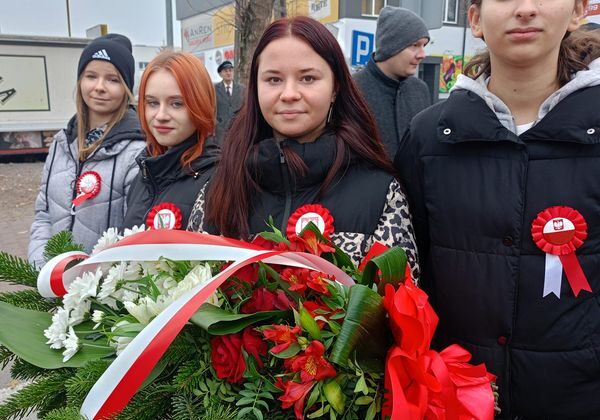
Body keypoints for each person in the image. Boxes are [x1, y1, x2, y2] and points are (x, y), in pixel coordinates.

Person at [395, 0, 600, 417]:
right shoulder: (430, 137)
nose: (525, 9)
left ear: (577, 10)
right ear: (475, 19)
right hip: (455, 395)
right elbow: (409, 273)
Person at [188, 16, 419, 277]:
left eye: (308, 78)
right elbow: (189, 291)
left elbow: (401, 305)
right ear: (255, 88)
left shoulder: (381, 192)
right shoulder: (220, 187)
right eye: (273, 80)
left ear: (335, 88)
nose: (289, 93)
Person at [28, 34, 145, 268]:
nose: (99, 87)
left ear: (126, 88)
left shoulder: (137, 151)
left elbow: (132, 233)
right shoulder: (61, 144)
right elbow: (43, 215)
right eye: (91, 76)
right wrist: (42, 269)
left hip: (99, 290)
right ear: (80, 80)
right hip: (51, 282)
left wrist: (90, 285)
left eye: (112, 79)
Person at [122, 51, 218, 230]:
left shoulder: (218, 180)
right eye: (152, 103)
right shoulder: (143, 174)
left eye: (176, 104)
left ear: (201, 104)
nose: (161, 116)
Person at [353, 6, 431, 159]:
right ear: (392, 46)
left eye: (423, 45)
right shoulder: (352, 89)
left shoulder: (420, 90)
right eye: (415, 45)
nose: (422, 54)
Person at [214, 60, 245, 138]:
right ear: (220, 74)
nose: (228, 73)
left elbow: (245, 108)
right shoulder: (214, 89)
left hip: (238, 130)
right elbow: (211, 109)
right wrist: (217, 124)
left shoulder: (242, 89)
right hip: (221, 131)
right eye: (225, 71)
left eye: (230, 70)